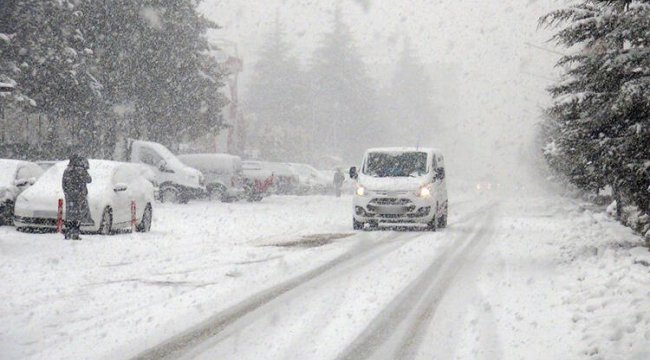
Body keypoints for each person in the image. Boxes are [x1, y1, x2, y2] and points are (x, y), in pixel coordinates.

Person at [62, 154, 93, 240]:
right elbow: (89, 180)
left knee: (70, 215)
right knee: (77, 216)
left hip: (70, 197)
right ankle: (75, 234)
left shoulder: (67, 171)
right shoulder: (80, 171)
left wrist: (67, 193)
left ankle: (68, 233)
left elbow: (63, 184)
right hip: (79, 196)